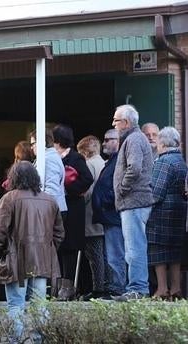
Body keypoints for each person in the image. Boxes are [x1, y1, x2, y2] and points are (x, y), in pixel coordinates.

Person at [0, 161, 64, 341]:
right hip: (43, 260)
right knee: (40, 306)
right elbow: (59, 233)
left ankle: (15, 341)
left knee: (16, 305)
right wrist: (48, 250)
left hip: (16, 259)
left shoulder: (9, 199)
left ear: (13, 178)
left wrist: (0, 253)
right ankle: (40, 340)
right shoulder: (50, 199)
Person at [112, 104, 154, 301]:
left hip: (134, 201)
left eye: (116, 120)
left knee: (134, 247)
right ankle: (137, 287)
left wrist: (122, 188)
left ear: (126, 122)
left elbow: (134, 168)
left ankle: (137, 289)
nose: (114, 124)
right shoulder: (135, 138)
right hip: (134, 202)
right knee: (133, 247)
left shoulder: (134, 139)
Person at [52, 124, 93, 300]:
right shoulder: (53, 158)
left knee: (69, 247)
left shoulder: (76, 158)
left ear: (57, 141)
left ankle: (67, 286)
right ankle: (56, 285)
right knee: (57, 246)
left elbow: (87, 179)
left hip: (73, 209)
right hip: (58, 210)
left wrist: (70, 189)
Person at [146, 127, 187, 300]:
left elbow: (156, 192)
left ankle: (162, 289)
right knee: (175, 253)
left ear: (162, 142)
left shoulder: (164, 161)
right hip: (179, 211)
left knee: (158, 251)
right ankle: (176, 288)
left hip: (162, 213)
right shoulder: (180, 160)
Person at [91, 129, 125, 297]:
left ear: (117, 141)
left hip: (113, 215)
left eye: (107, 140)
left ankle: (118, 289)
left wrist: (106, 201)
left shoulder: (119, 160)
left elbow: (120, 185)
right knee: (111, 254)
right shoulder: (111, 161)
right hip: (108, 215)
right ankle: (115, 286)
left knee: (115, 254)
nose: (103, 143)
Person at [76, 135, 109, 300]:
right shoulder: (104, 163)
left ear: (84, 151)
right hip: (103, 217)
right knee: (104, 254)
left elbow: (87, 192)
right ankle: (106, 284)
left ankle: (98, 288)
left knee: (94, 256)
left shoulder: (89, 164)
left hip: (90, 217)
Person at [29, 129, 67, 213]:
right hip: (52, 209)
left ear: (42, 142)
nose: (31, 147)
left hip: (50, 210)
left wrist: (42, 210)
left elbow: (52, 189)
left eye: (33, 143)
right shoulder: (48, 157)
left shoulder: (49, 159)